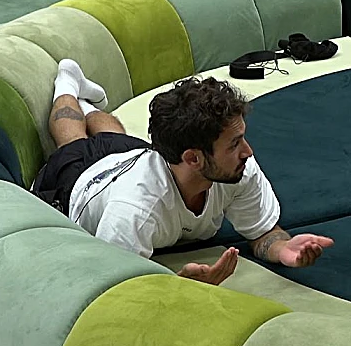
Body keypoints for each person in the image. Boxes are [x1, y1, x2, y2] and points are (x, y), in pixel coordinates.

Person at [32, 59, 334, 285]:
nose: (248, 152)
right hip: (82, 181)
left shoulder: (235, 169)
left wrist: (282, 248)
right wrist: (180, 287)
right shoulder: (133, 211)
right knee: (73, 140)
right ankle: (68, 81)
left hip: (132, 156)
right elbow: (116, 291)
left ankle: (88, 104)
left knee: (114, 135)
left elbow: (263, 232)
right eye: (234, 144)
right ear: (194, 158)